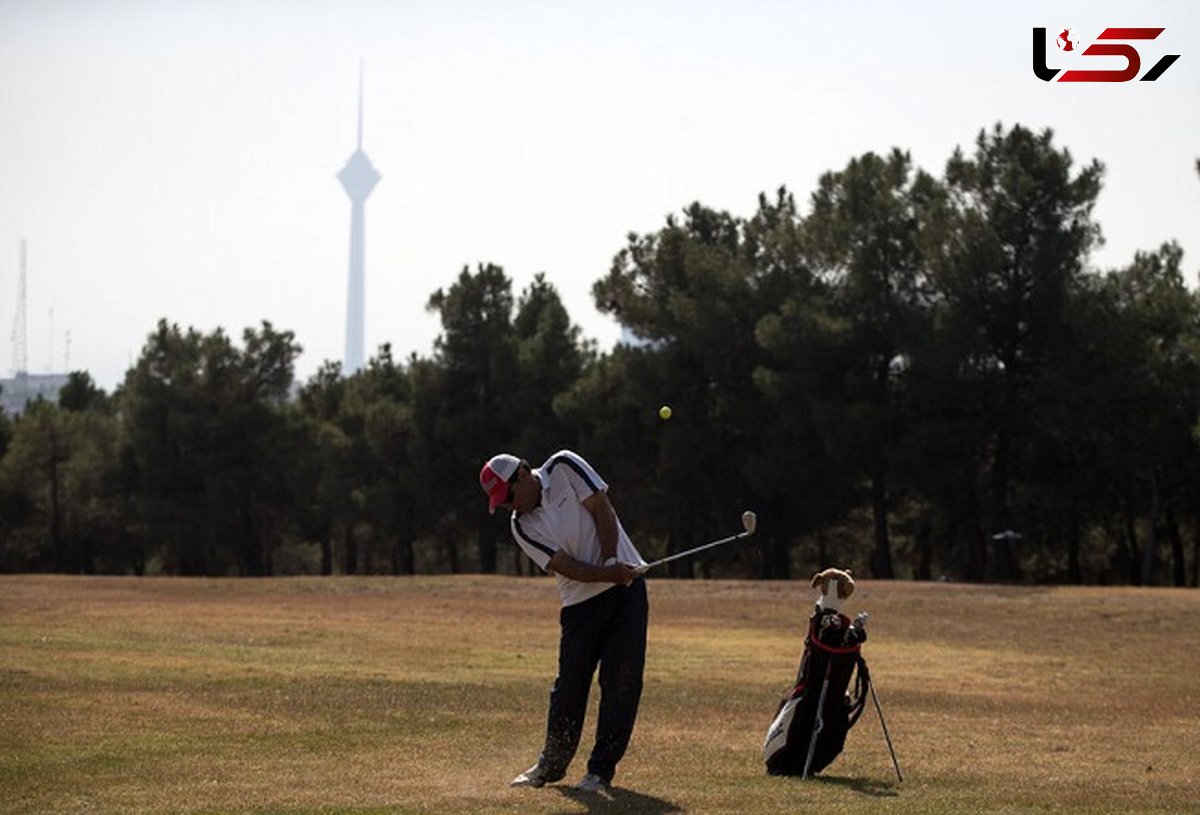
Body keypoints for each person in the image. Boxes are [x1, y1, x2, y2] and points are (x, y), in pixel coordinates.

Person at [479, 449, 648, 794]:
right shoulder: (521, 526)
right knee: (569, 687)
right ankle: (551, 765)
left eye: (508, 496)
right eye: (502, 502)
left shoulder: (563, 466)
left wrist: (615, 563)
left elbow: (602, 509)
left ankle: (600, 772)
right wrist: (607, 574)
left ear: (523, 473)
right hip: (580, 605)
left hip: (627, 593)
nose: (509, 505)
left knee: (621, 683)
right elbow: (565, 565)